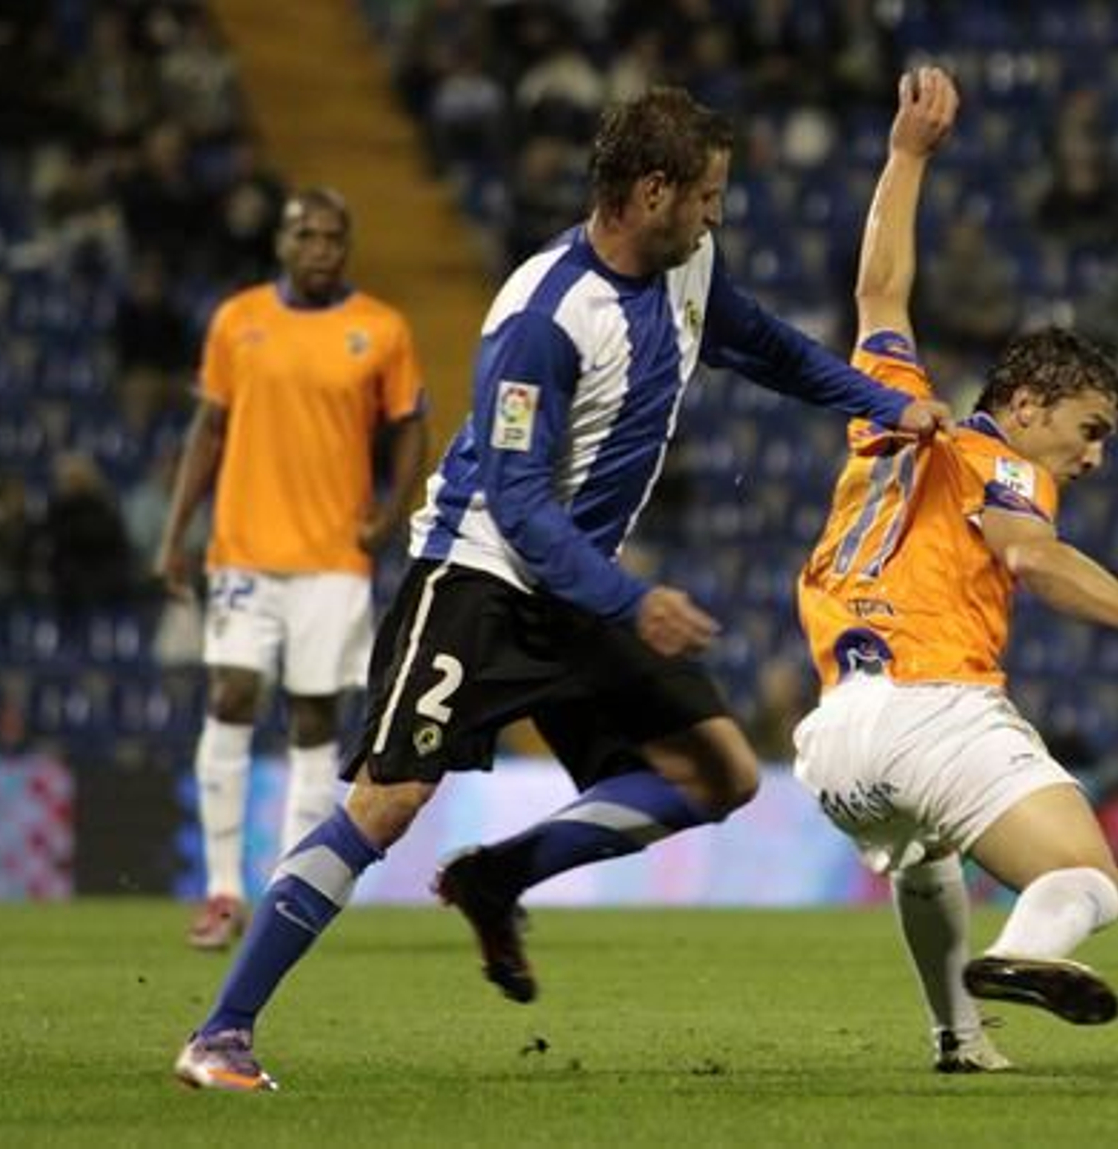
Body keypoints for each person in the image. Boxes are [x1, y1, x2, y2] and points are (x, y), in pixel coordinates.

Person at [173, 85, 950, 1091]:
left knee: (717, 774)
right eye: (706, 195)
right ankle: (221, 1033)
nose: (717, 214)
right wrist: (632, 601)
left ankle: (499, 876)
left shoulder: (689, 265)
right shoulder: (543, 318)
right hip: (480, 578)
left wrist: (885, 404)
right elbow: (517, 503)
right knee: (387, 802)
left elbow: (767, 347)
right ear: (652, 191)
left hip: (576, 585)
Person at [790, 68, 1118, 1075]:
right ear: (1025, 404)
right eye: (1089, 429)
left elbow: (879, 290)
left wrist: (905, 156)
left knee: (924, 854)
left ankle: (957, 1037)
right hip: (933, 703)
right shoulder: (1002, 462)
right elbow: (1029, 554)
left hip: (836, 741)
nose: (1093, 456)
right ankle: (1026, 954)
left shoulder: (891, 407)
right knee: (1089, 880)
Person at [155, 188, 428, 952]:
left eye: (333, 237)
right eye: (306, 235)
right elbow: (208, 429)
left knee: (314, 717)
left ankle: (287, 888)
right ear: (281, 242)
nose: (319, 249)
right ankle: (221, 890)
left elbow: (412, 425)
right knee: (232, 692)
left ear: (348, 246)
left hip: (333, 557)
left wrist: (389, 514)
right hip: (242, 550)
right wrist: (175, 532)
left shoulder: (380, 328)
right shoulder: (237, 320)